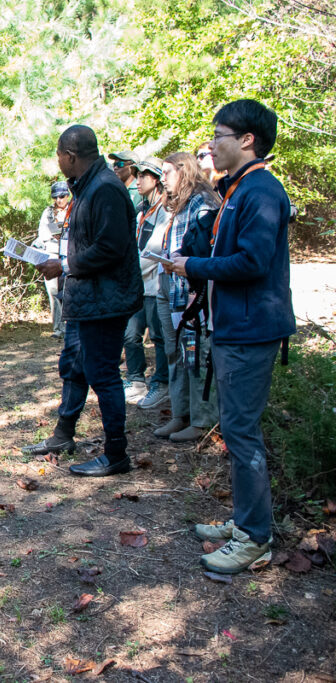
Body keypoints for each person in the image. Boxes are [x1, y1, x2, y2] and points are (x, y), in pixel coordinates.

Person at [168, 99, 295, 574]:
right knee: (237, 430)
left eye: (219, 135)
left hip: (251, 330)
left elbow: (253, 262)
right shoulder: (239, 189)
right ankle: (245, 522)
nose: (211, 145)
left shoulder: (260, 190)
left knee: (243, 434)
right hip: (234, 327)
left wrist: (193, 266)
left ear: (247, 140)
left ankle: (255, 537)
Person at [24, 126, 143, 477]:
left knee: (102, 373)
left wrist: (63, 265)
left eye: (59, 155)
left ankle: (116, 453)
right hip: (85, 299)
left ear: (70, 156)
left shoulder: (105, 188)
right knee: (74, 365)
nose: (58, 161)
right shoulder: (88, 186)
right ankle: (63, 435)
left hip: (106, 301)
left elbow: (110, 247)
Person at [153, 153, 220, 443]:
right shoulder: (175, 203)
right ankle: (180, 414)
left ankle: (202, 420)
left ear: (184, 171)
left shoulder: (202, 202)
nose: (162, 178)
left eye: (167, 172)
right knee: (174, 353)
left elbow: (205, 250)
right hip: (168, 286)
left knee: (195, 353)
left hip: (191, 290)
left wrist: (196, 288)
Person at [122, 158, 171, 410]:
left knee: (159, 337)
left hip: (153, 285)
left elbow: (154, 252)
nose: (138, 180)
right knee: (130, 335)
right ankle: (135, 380)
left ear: (156, 179)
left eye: (143, 175)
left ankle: (161, 384)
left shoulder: (165, 211)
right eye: (136, 175)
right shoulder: (141, 210)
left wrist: (127, 273)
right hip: (137, 287)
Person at [33, 181, 70, 338]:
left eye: (62, 196)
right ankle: (58, 328)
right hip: (52, 253)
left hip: (69, 255)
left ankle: (70, 327)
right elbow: (42, 233)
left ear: (68, 195)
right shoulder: (48, 212)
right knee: (54, 292)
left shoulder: (74, 209)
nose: (59, 200)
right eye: (56, 197)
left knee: (68, 291)